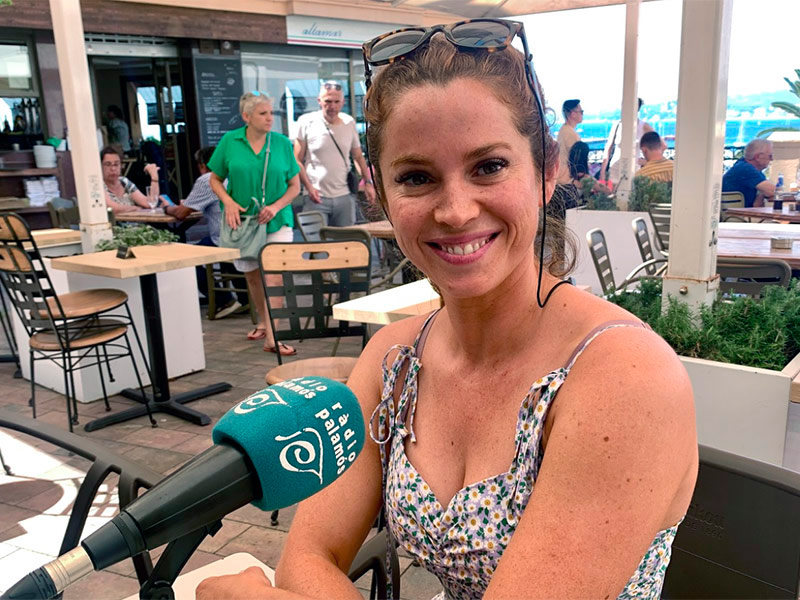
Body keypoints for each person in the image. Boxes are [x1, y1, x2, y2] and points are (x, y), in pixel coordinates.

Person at [197, 20, 697, 600]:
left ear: (546, 171)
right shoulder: (394, 359)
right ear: (384, 196)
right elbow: (309, 556)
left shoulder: (623, 378)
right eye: (416, 177)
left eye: (489, 166)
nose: (455, 211)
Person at [207, 91, 300, 355]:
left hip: (277, 219)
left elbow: (294, 186)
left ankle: (273, 336)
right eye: (263, 113)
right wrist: (228, 202)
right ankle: (263, 321)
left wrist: (275, 207)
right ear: (246, 116)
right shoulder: (230, 141)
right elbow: (215, 179)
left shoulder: (281, 143)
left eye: (271, 113)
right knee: (253, 277)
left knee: (274, 276)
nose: (270, 118)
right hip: (245, 222)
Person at [166, 146, 245, 319]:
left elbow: (181, 214)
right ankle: (245, 299)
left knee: (190, 255)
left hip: (226, 240)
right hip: (248, 237)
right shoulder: (237, 174)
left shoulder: (207, 179)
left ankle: (223, 301)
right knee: (211, 244)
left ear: (203, 165)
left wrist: (167, 207)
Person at [294, 81, 376, 226]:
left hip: (344, 195)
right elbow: (296, 160)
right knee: (317, 240)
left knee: (347, 239)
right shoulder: (306, 122)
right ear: (319, 101)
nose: (332, 106)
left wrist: (368, 183)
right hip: (316, 196)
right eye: (328, 101)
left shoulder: (348, 122)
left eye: (336, 102)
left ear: (343, 102)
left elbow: (357, 156)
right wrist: (308, 187)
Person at [600, 98, 654, 186]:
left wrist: (646, 162)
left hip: (633, 170)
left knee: (631, 192)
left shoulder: (644, 126)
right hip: (614, 169)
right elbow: (608, 148)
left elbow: (660, 145)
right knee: (611, 193)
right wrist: (602, 173)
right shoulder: (617, 125)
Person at [101, 146, 164, 214]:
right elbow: (114, 209)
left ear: (121, 165)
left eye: (116, 164)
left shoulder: (124, 182)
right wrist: (137, 208)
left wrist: (154, 178)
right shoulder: (99, 185)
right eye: (108, 164)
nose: (113, 168)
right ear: (100, 166)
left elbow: (149, 203)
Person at [722, 138, 776, 207]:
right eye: (770, 156)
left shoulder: (744, 166)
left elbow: (756, 205)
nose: (772, 159)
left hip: (737, 212)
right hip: (735, 212)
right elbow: (773, 191)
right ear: (758, 157)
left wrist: (763, 192)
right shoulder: (746, 169)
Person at [556, 99, 582, 186]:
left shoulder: (564, 130)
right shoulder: (569, 133)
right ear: (573, 114)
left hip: (564, 179)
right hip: (568, 181)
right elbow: (577, 161)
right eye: (581, 112)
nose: (582, 114)